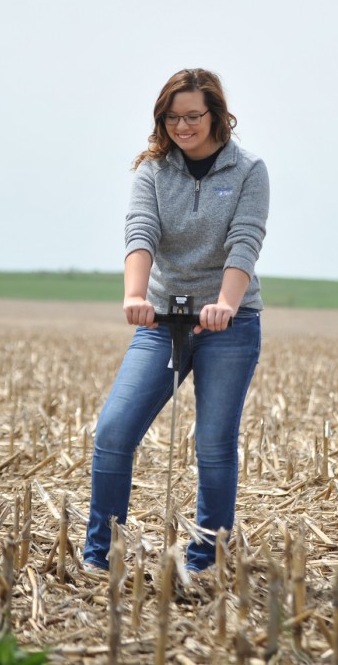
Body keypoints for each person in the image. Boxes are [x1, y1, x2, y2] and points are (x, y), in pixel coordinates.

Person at [83, 68, 269, 573]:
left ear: (217, 116)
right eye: (172, 117)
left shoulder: (248, 170)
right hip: (162, 319)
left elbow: (245, 241)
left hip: (229, 323)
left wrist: (226, 304)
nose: (182, 127)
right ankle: (101, 555)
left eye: (192, 116)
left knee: (212, 443)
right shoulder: (153, 171)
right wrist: (135, 295)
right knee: (114, 431)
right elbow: (140, 232)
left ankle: (205, 560)